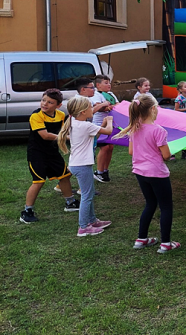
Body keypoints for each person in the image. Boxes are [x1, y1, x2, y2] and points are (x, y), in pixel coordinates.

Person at [114, 94, 179, 253]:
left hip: (140, 172)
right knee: (166, 207)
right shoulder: (159, 131)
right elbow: (166, 156)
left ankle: (141, 239)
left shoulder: (134, 128)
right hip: (157, 173)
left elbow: (131, 151)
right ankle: (165, 243)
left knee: (150, 203)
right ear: (153, 109)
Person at [19, 89, 80, 224]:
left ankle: (70, 203)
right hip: (37, 154)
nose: (45, 104)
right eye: (43, 100)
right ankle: (27, 211)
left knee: (65, 175)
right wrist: (66, 138)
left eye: (50, 102)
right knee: (39, 181)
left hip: (52, 153)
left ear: (58, 105)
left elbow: (65, 129)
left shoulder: (60, 115)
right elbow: (45, 135)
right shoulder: (36, 116)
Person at [57, 97, 114, 236]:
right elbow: (108, 131)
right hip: (82, 165)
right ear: (83, 112)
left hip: (77, 164)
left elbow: (97, 131)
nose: (92, 109)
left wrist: (104, 123)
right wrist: (109, 121)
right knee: (87, 196)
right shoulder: (85, 125)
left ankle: (92, 220)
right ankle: (83, 227)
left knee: (89, 193)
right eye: (90, 107)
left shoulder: (74, 122)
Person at [93, 75, 118, 183]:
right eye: (106, 83)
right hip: (99, 125)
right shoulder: (96, 95)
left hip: (110, 125)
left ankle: (105, 170)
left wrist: (111, 106)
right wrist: (109, 106)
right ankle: (99, 172)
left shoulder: (111, 94)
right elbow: (99, 108)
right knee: (104, 148)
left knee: (110, 147)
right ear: (98, 85)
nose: (109, 85)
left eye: (109, 82)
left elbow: (117, 104)